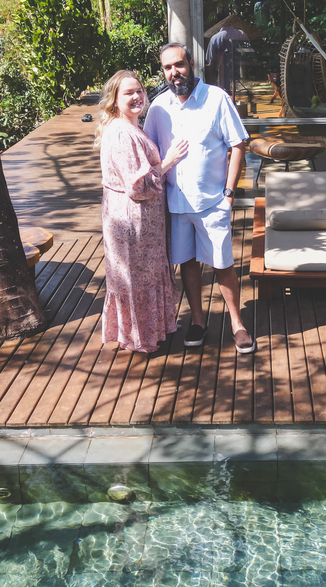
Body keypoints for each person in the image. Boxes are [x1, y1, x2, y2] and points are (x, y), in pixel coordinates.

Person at [143, 43, 255, 355]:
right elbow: (147, 150)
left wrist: (229, 194)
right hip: (176, 205)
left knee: (222, 264)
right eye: (167, 68)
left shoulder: (216, 98)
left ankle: (237, 324)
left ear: (191, 63)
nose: (174, 72)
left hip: (212, 203)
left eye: (179, 64)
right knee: (188, 264)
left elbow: (238, 145)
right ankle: (197, 321)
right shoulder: (158, 108)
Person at [97, 70, 188, 353]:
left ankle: (150, 330)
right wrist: (168, 161)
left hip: (142, 219)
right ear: (114, 100)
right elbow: (138, 186)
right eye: (128, 93)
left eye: (139, 91)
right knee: (136, 277)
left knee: (144, 275)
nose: (136, 96)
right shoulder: (121, 133)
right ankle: (139, 337)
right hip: (131, 220)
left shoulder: (130, 126)